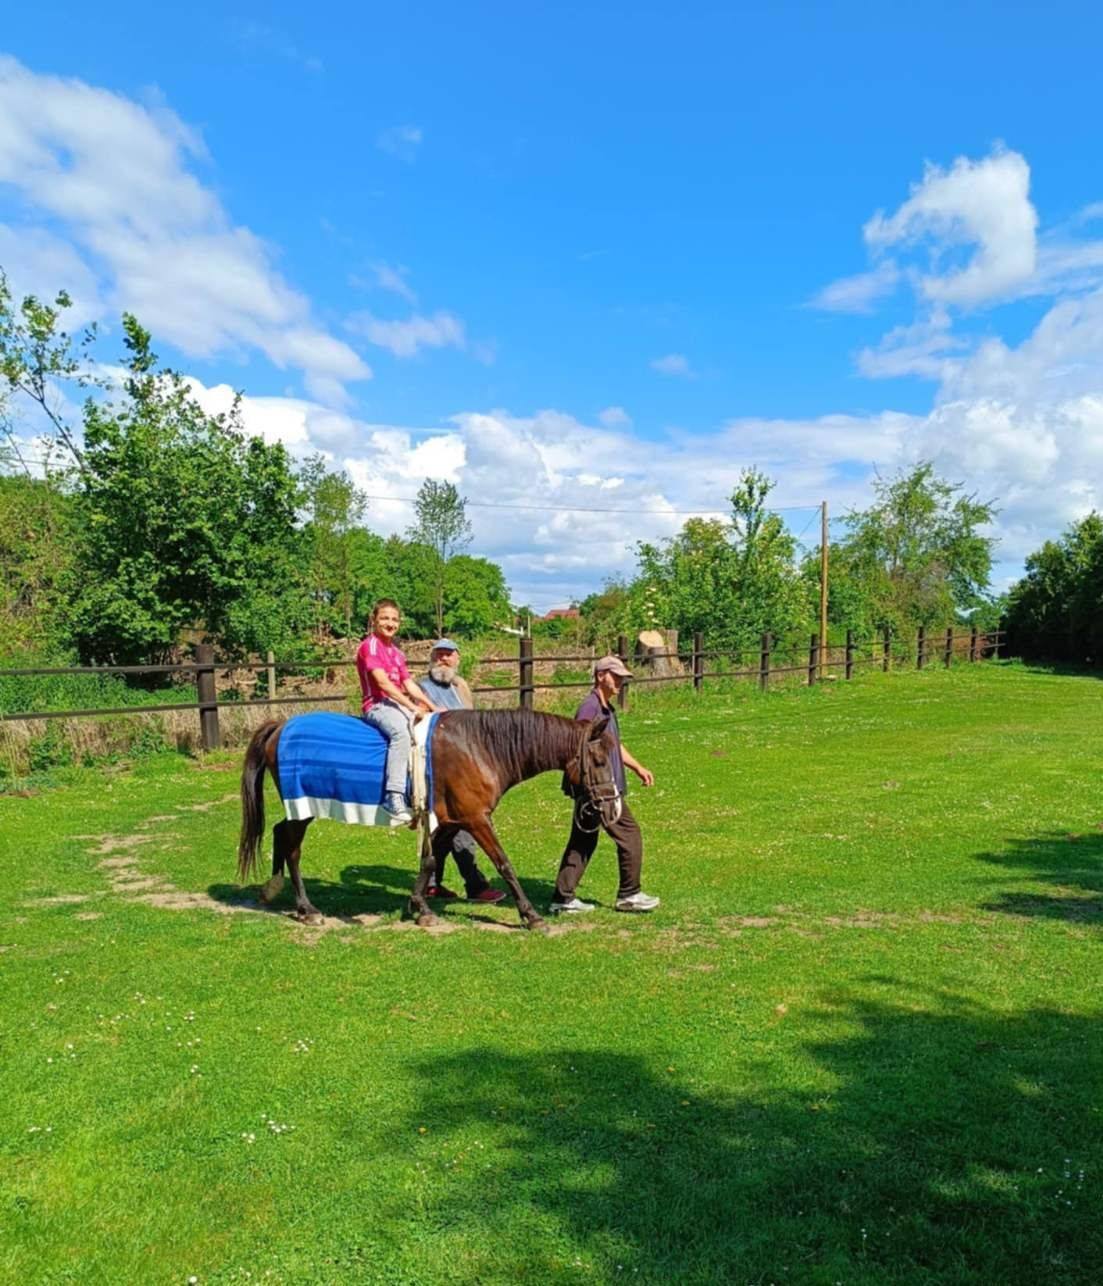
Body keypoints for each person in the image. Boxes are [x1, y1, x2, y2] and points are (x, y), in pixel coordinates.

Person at [550, 655, 660, 914]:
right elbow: (578, 745)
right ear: (601, 676)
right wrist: (591, 788)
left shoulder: (606, 708)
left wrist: (637, 767)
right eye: (616, 675)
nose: (621, 680)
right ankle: (629, 894)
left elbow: (614, 745)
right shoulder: (590, 708)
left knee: (583, 840)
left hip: (601, 787)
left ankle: (562, 898)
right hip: (600, 790)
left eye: (622, 676)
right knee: (630, 834)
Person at [416, 639, 506, 904]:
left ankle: (432, 884)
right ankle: (475, 886)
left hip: (464, 768)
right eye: (439, 655)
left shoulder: (460, 688)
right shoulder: (422, 688)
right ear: (432, 658)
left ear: (457, 659)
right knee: (465, 828)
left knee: (447, 832)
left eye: (449, 655)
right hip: (437, 767)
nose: (444, 660)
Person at [356, 599, 439, 822]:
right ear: (374, 620)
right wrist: (412, 707)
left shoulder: (396, 652)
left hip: (396, 703)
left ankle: (421, 790)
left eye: (394, 619)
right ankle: (393, 795)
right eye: (384, 618)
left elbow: (409, 683)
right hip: (377, 704)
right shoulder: (370, 646)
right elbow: (383, 684)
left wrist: (432, 707)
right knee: (401, 734)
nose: (390, 623)